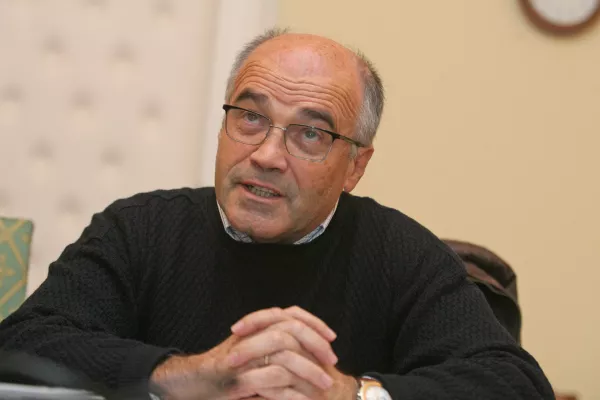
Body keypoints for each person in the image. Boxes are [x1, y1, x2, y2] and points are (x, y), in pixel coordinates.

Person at [0, 28, 554, 400]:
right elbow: (20, 345)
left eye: (310, 133)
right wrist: (185, 376)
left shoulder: (399, 252)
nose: (266, 154)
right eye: (249, 116)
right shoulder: (140, 229)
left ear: (355, 166)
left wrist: (347, 394)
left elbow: (515, 384)